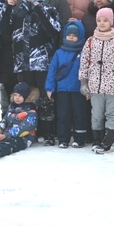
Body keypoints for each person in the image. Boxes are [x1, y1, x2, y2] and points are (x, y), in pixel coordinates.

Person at [1, 0, 62, 144]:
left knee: (45, 98)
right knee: (26, 98)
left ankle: (49, 133)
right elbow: (4, 32)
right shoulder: (16, 10)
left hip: (42, 62)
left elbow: (54, 30)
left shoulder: (48, 8)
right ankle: (29, 131)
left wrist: (39, 10)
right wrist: (7, 8)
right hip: (22, 63)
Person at [80, 7, 114, 154]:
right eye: (99, 20)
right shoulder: (90, 41)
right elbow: (84, 62)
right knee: (96, 114)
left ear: (111, 22)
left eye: (105, 20)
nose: (102, 23)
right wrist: (84, 82)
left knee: (112, 114)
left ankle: (109, 141)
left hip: (113, 86)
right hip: (95, 86)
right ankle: (97, 140)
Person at [46, 21, 87, 149]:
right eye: (69, 34)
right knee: (63, 115)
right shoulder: (59, 52)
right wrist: (49, 87)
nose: (71, 37)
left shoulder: (84, 52)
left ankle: (79, 139)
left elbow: (88, 71)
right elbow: (52, 70)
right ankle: (63, 139)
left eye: (74, 35)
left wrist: (88, 88)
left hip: (78, 89)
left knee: (79, 114)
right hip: (62, 89)